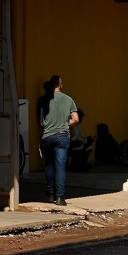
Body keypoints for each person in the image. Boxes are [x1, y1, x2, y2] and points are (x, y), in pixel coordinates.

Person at [40, 75, 79, 205]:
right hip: (62, 135)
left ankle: (50, 193)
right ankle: (60, 197)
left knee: (49, 165)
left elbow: (40, 121)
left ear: (50, 85)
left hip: (47, 136)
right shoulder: (68, 99)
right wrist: (64, 123)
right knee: (60, 167)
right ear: (61, 86)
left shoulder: (43, 99)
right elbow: (76, 119)